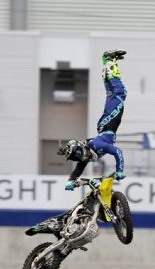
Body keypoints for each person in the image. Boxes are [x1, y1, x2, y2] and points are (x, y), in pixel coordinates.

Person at [58, 50, 128, 190]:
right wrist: (70, 182)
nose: (79, 161)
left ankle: (108, 60)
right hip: (105, 127)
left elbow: (118, 152)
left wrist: (120, 170)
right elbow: (77, 171)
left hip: (109, 124)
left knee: (120, 93)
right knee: (112, 93)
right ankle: (108, 61)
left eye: (77, 157)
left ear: (80, 152)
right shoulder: (88, 156)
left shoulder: (97, 146)